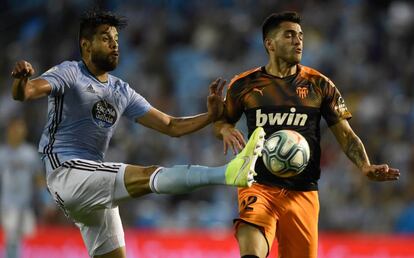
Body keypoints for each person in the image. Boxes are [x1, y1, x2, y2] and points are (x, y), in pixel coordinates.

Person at [10, 10, 266, 258]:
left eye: (116, 40)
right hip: (66, 173)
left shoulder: (120, 91)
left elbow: (171, 126)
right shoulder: (70, 72)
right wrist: (21, 81)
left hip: (92, 186)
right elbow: (26, 93)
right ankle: (226, 173)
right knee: (146, 174)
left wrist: (210, 116)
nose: (114, 45)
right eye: (105, 38)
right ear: (86, 45)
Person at [213, 11, 400, 258]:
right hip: (258, 185)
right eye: (289, 35)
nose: (298, 41)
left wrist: (364, 166)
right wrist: (225, 129)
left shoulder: (319, 85)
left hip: (303, 192)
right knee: (251, 244)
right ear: (269, 43)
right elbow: (221, 121)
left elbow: (345, 134)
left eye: (300, 36)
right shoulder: (244, 84)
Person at [0, 118, 42, 258]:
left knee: (21, 239)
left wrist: (47, 201)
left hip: (26, 205)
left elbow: (38, 179)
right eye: (16, 128)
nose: (19, 132)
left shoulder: (30, 154)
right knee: (12, 238)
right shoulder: (2, 154)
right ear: (9, 130)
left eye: (22, 128)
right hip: (7, 205)